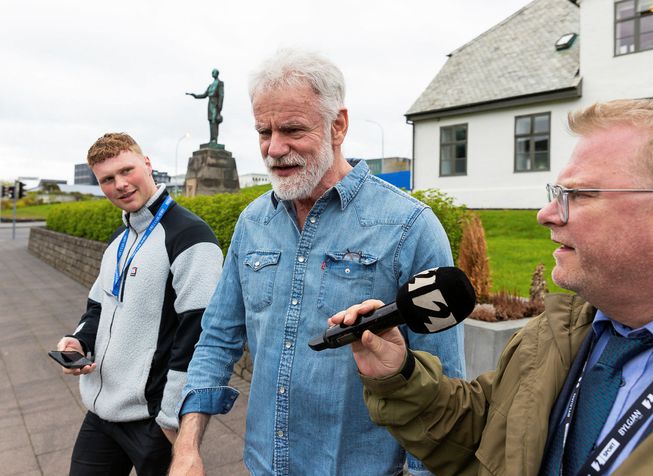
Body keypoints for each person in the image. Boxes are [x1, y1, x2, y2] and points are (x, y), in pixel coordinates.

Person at [333, 98, 653, 475]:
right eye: (556, 194)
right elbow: (484, 435)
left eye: (578, 195)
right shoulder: (555, 335)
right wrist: (398, 375)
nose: (545, 215)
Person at [170, 49, 465, 475]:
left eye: (292, 129)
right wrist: (187, 444)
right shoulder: (253, 222)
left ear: (338, 124)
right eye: (263, 131)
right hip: (263, 466)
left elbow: (443, 381)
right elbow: (217, 338)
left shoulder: (409, 227)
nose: (274, 149)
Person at [55, 133, 224, 475]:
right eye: (107, 179)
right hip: (102, 411)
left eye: (126, 170)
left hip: (153, 421)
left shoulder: (191, 236)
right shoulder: (119, 240)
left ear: (147, 164)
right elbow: (98, 307)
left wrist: (170, 418)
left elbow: (199, 336)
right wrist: (79, 341)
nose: (119, 184)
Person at [186, 68, 225, 144]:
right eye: (212, 72)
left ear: (217, 73)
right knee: (211, 120)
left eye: (214, 72)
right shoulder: (210, 86)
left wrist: (220, 107)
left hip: (216, 103)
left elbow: (221, 95)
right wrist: (195, 96)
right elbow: (204, 95)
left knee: (214, 121)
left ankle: (215, 140)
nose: (212, 73)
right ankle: (211, 139)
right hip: (210, 103)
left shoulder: (220, 83)